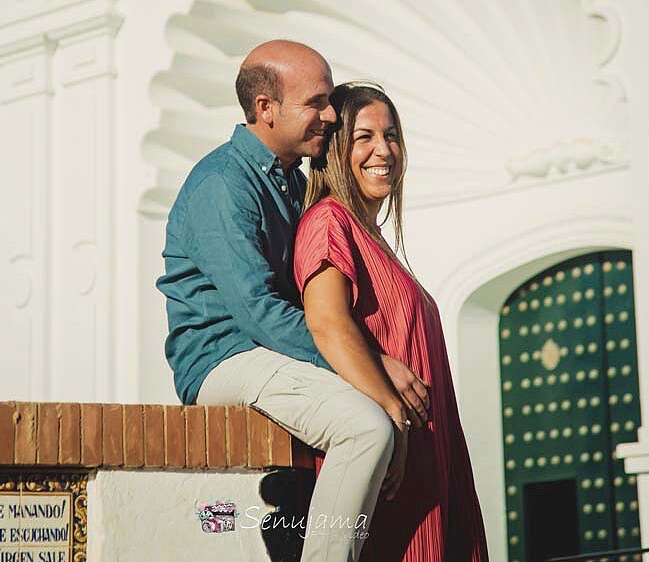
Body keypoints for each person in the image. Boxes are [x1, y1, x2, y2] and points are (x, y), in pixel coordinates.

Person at [158, 41, 430, 562]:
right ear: (265, 109)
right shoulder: (223, 183)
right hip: (223, 358)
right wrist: (374, 367)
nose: (330, 116)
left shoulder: (290, 182)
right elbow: (259, 311)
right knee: (366, 427)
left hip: (270, 353)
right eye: (316, 103)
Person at [294, 82, 489, 562]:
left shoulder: (371, 236)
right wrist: (393, 415)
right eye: (364, 137)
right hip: (389, 469)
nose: (384, 150)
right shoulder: (328, 222)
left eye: (392, 134)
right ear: (337, 149)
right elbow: (327, 325)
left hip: (428, 463)